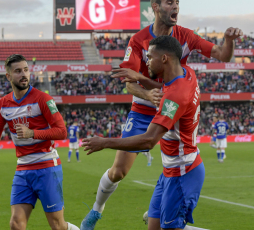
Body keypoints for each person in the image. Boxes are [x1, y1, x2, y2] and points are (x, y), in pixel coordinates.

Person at [80, 0, 243, 230]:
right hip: (144, 109)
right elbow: (129, 83)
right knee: (119, 172)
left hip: (173, 104)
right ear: (155, 8)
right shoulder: (138, 41)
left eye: (177, 2)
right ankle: (97, 210)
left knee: (175, 156)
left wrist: (228, 41)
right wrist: (147, 93)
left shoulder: (186, 36)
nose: (175, 6)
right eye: (169, 2)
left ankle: (164, 210)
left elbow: (222, 55)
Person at [83, 36, 204, 230]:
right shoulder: (187, 73)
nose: (146, 61)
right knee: (154, 227)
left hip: (183, 172)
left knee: (171, 228)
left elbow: (148, 141)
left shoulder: (174, 98)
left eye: (150, 57)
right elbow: (167, 88)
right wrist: (143, 79)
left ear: (164, 58)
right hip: (169, 171)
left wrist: (105, 142)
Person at [0, 54, 79, 230]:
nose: (23, 74)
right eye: (18, 71)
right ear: (8, 76)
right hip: (23, 170)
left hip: (47, 166)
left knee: (57, 225)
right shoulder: (3, 104)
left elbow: (62, 131)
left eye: (26, 70)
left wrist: (32, 133)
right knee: (16, 224)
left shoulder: (43, 99)